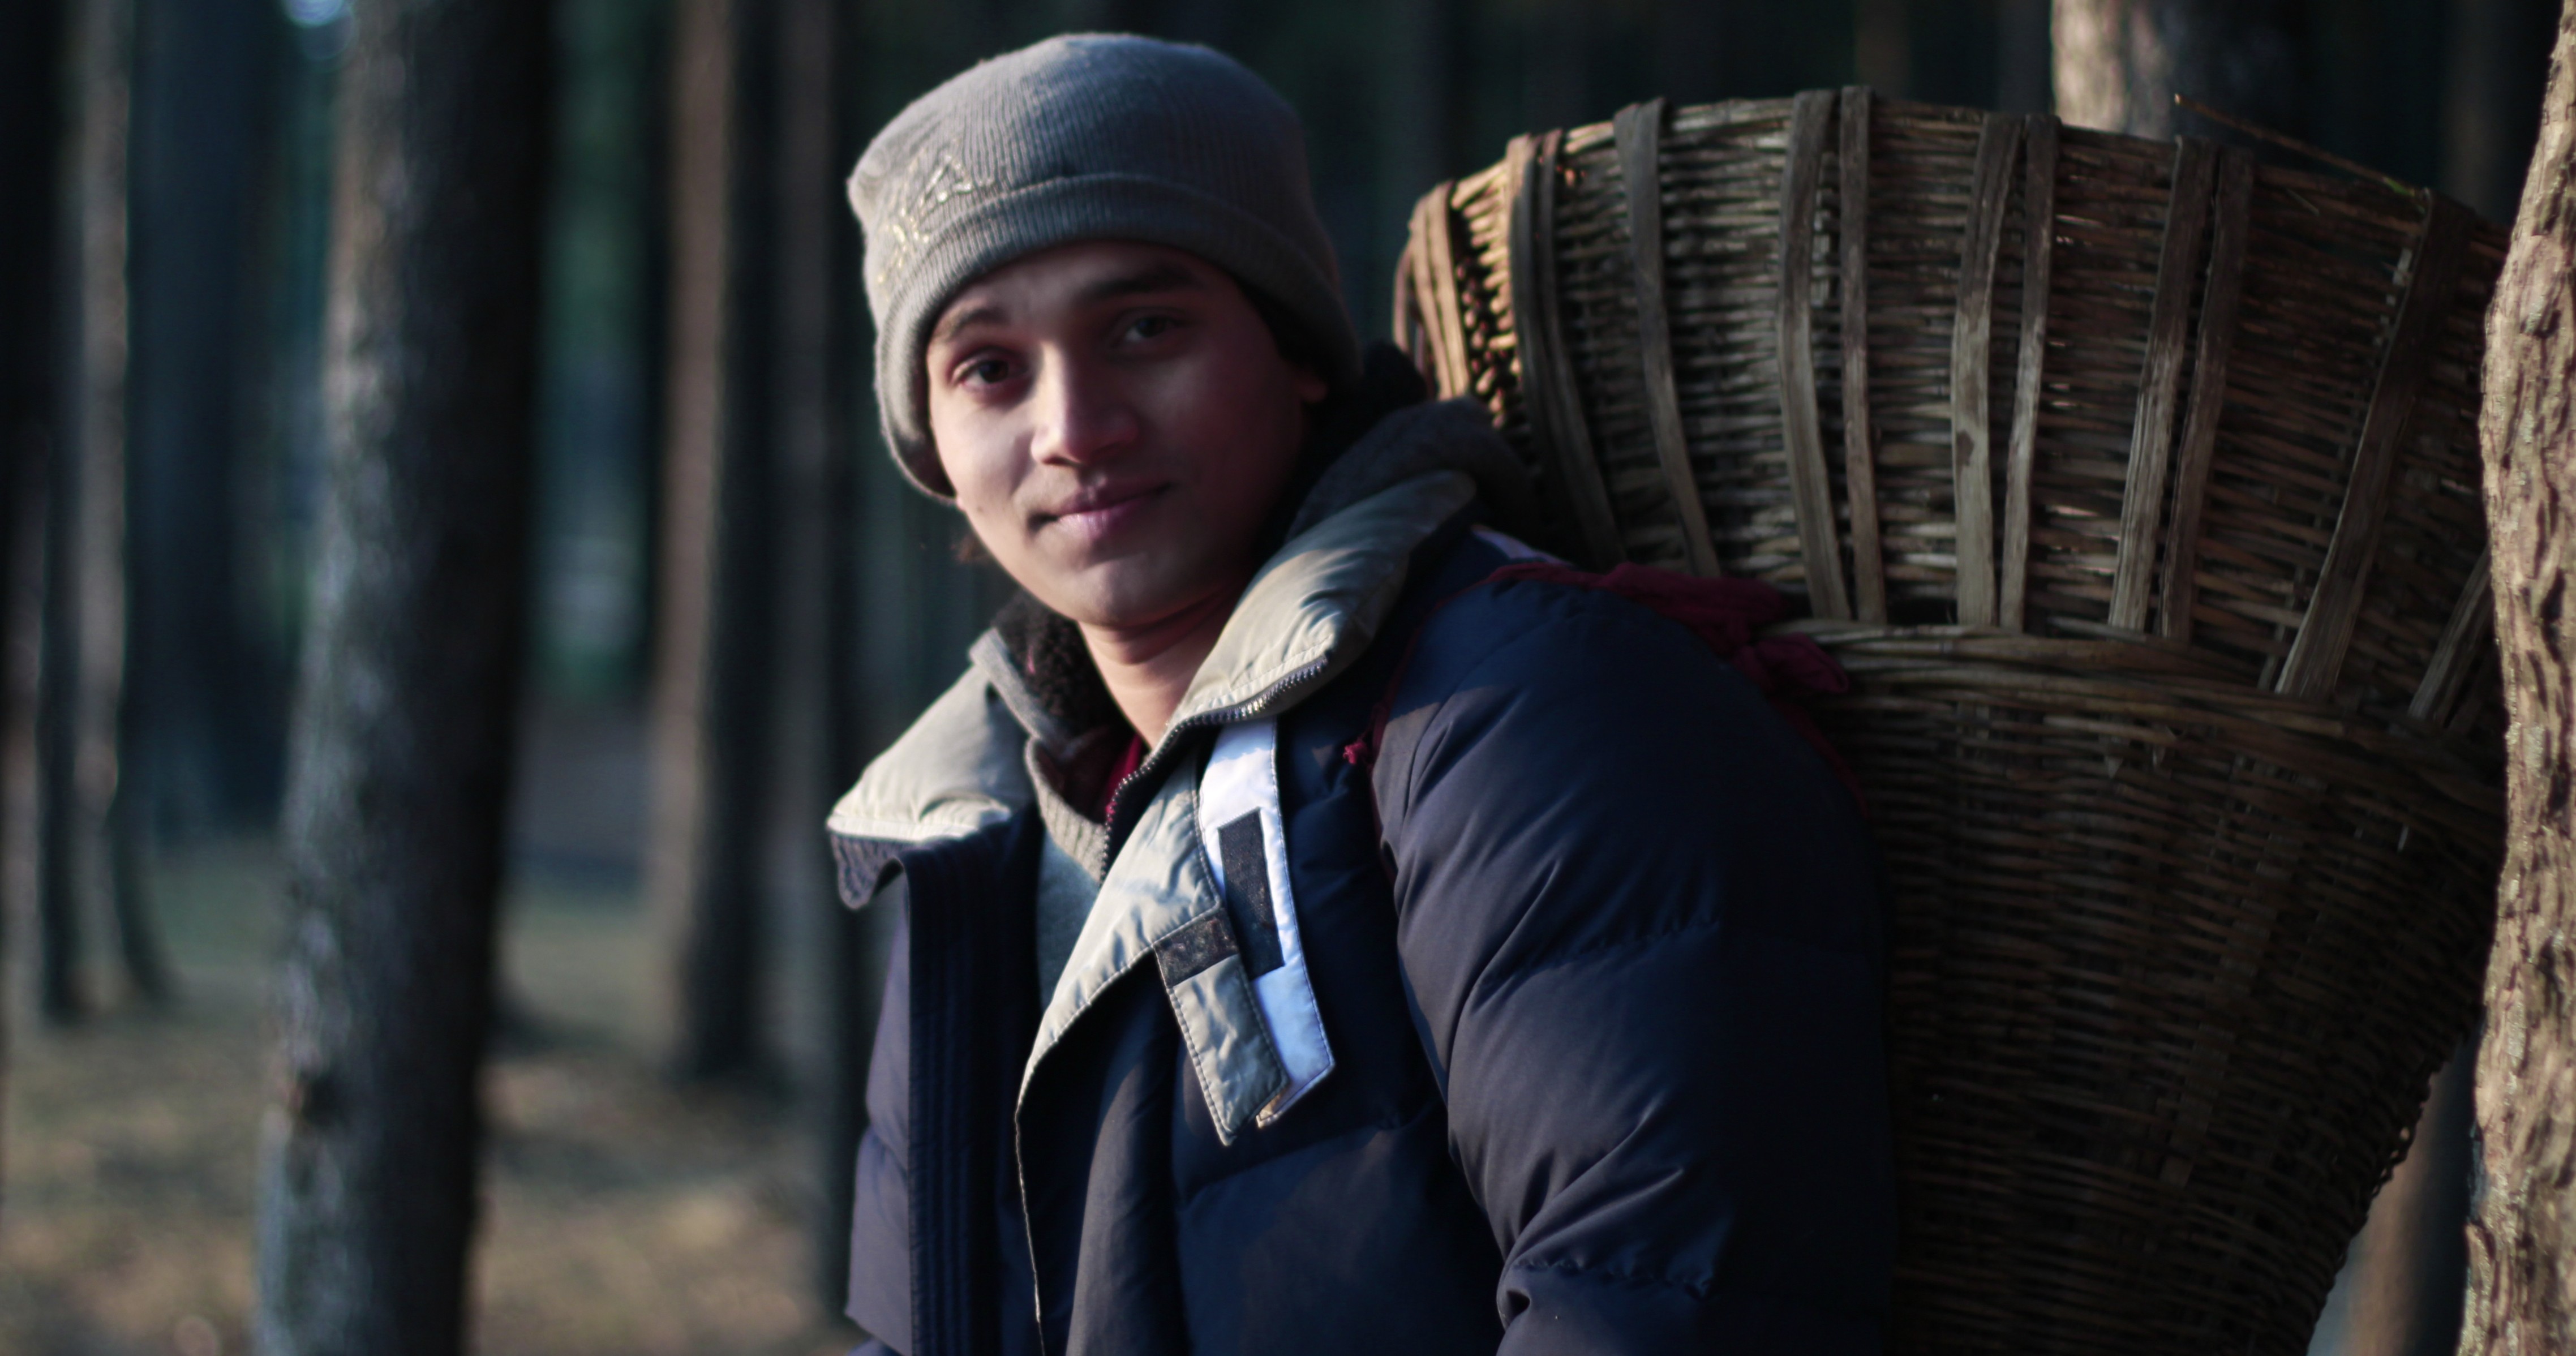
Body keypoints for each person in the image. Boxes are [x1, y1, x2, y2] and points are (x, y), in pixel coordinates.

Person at [828, 33, 1892, 1355]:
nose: (1074, 427)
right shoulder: (980, 826)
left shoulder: (1532, 713)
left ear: (1299, 352)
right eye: (988, 366)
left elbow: (1655, 1303)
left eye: (1144, 328)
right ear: (933, 449)